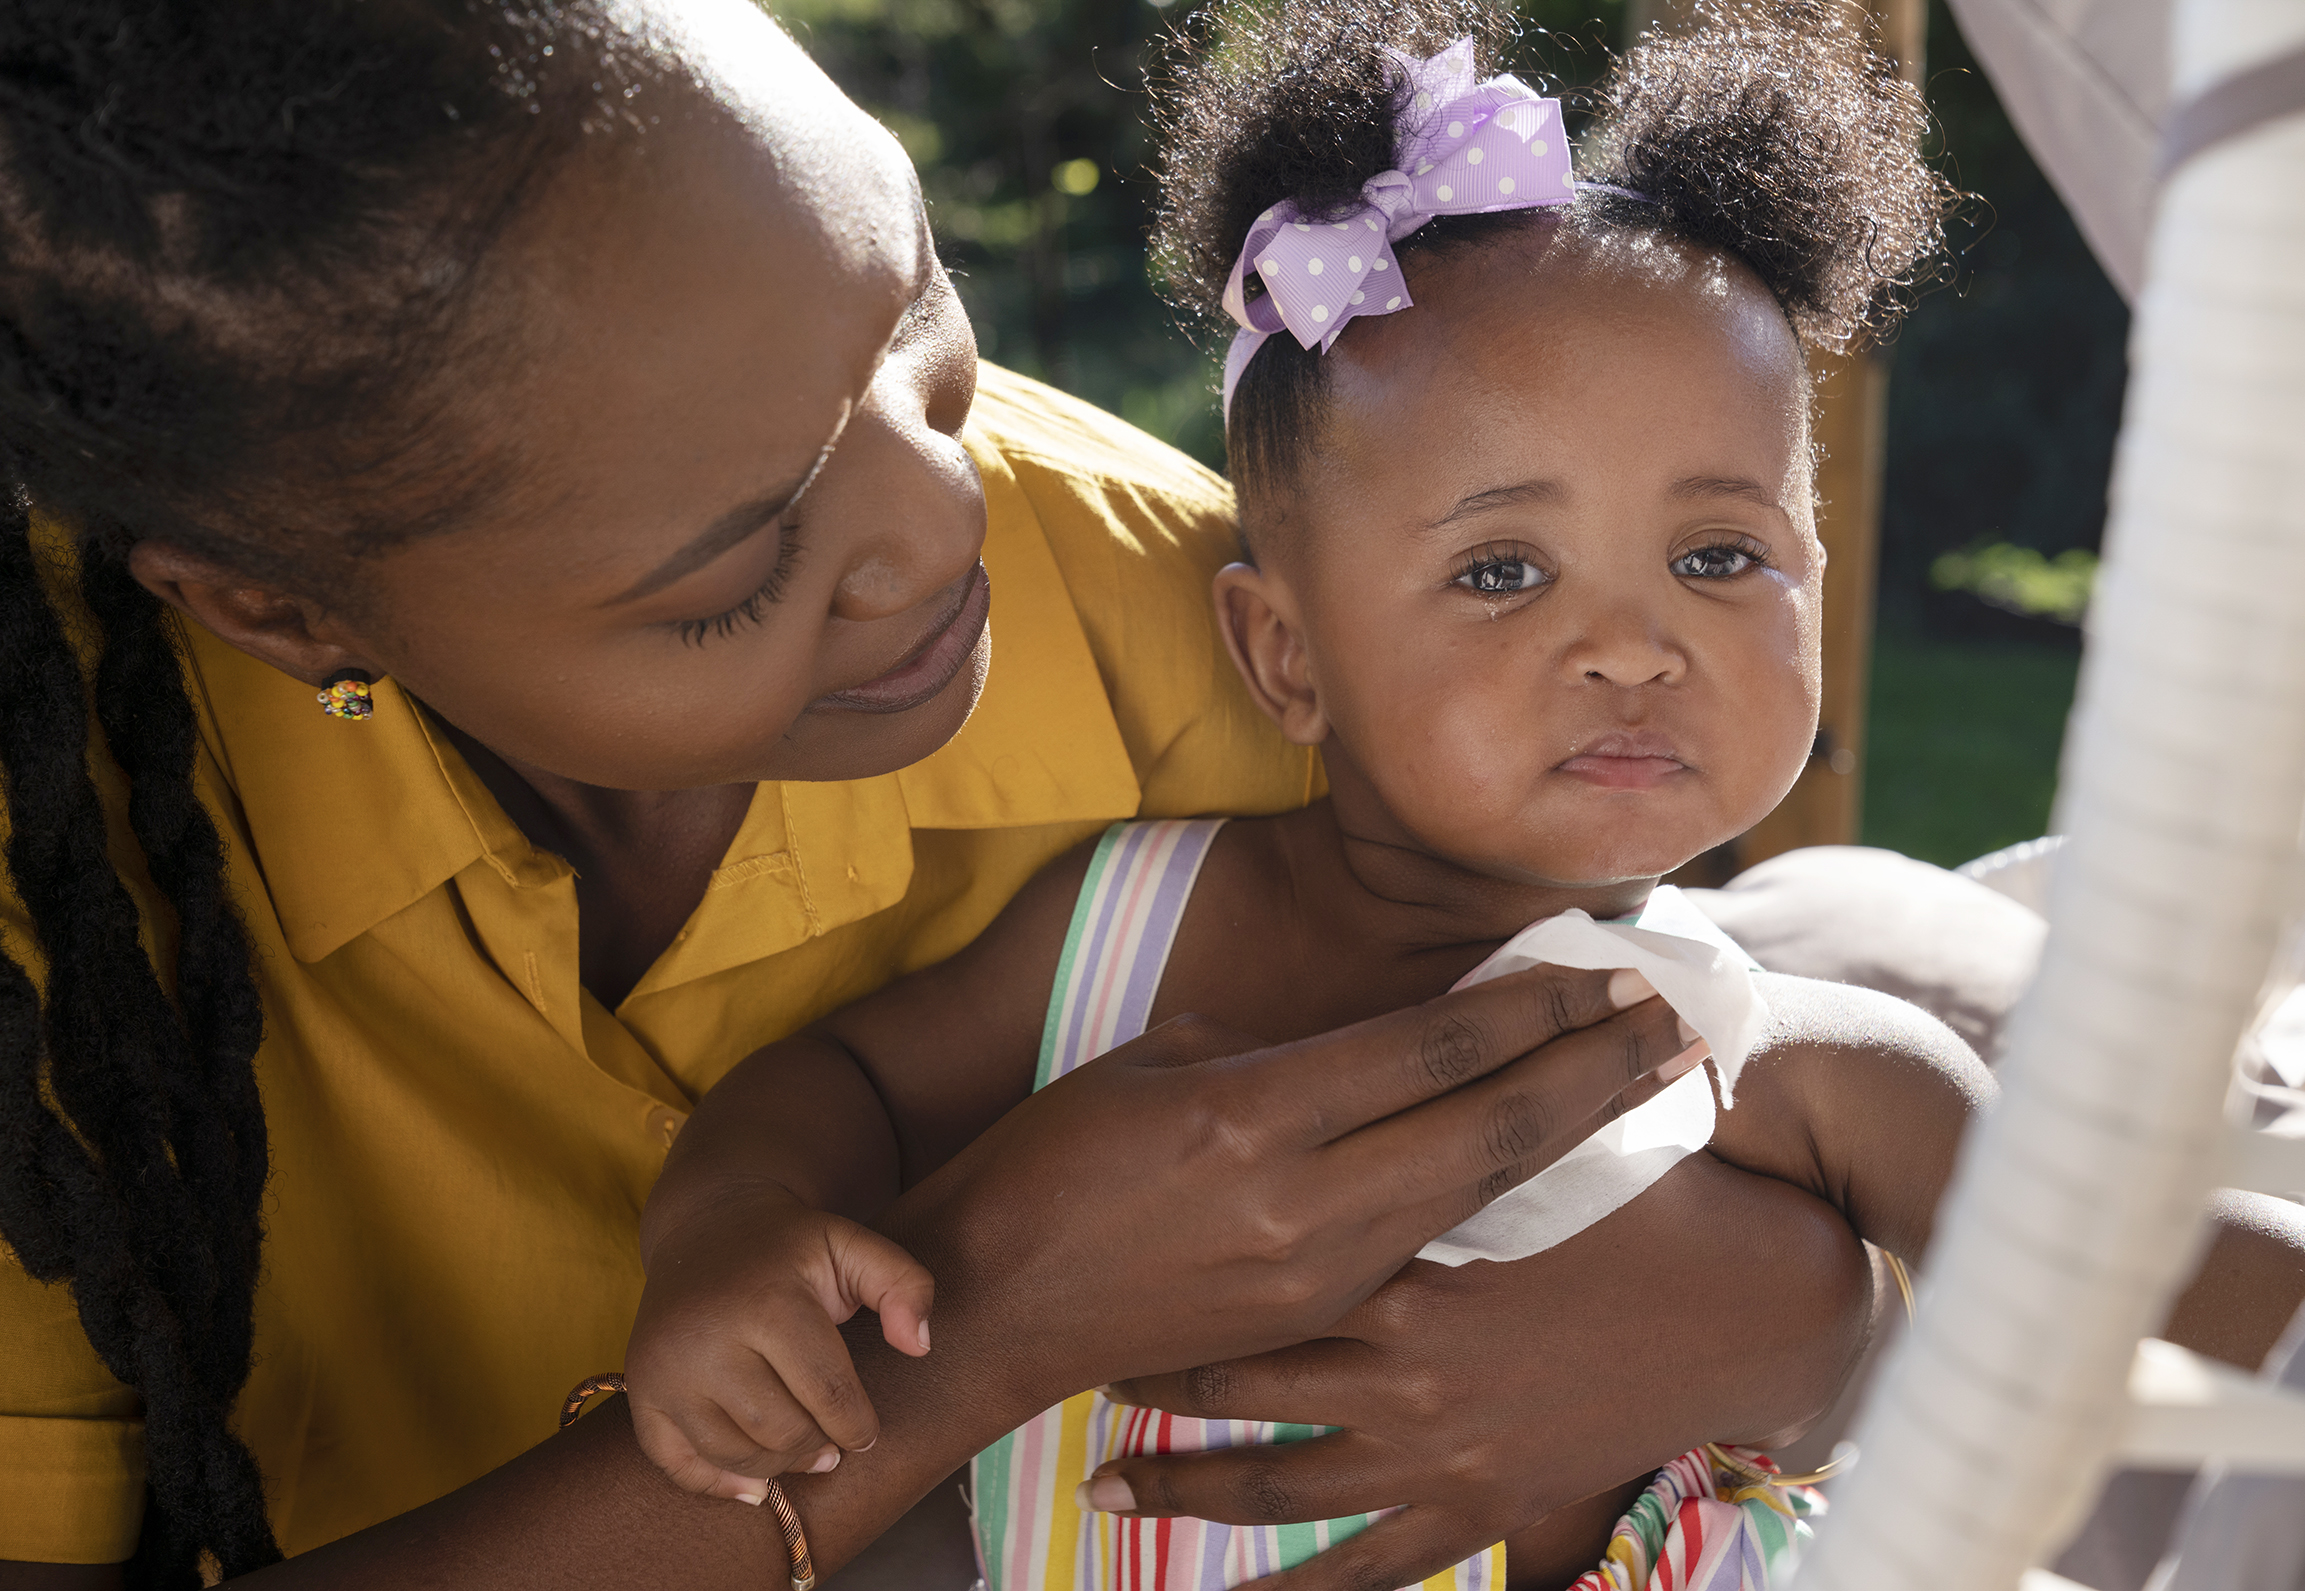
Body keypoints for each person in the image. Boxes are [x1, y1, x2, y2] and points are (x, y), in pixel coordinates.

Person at [0, 3, 1938, 1587]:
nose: (940, 533)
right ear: (274, 605)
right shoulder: (57, 901)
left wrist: (1813, 1329)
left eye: (919, 338)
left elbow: (1752, 1099)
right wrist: (982, 1323)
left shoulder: (1238, 640)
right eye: (743, 560)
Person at [616, 7, 2305, 1590]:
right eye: (1505, 570)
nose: (1629, 645)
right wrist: (736, 1231)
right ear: (1282, 655)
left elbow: (2167, 1268)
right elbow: (839, 1077)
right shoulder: (1132, 922)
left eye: (1719, 554)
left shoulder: (1787, 1063)